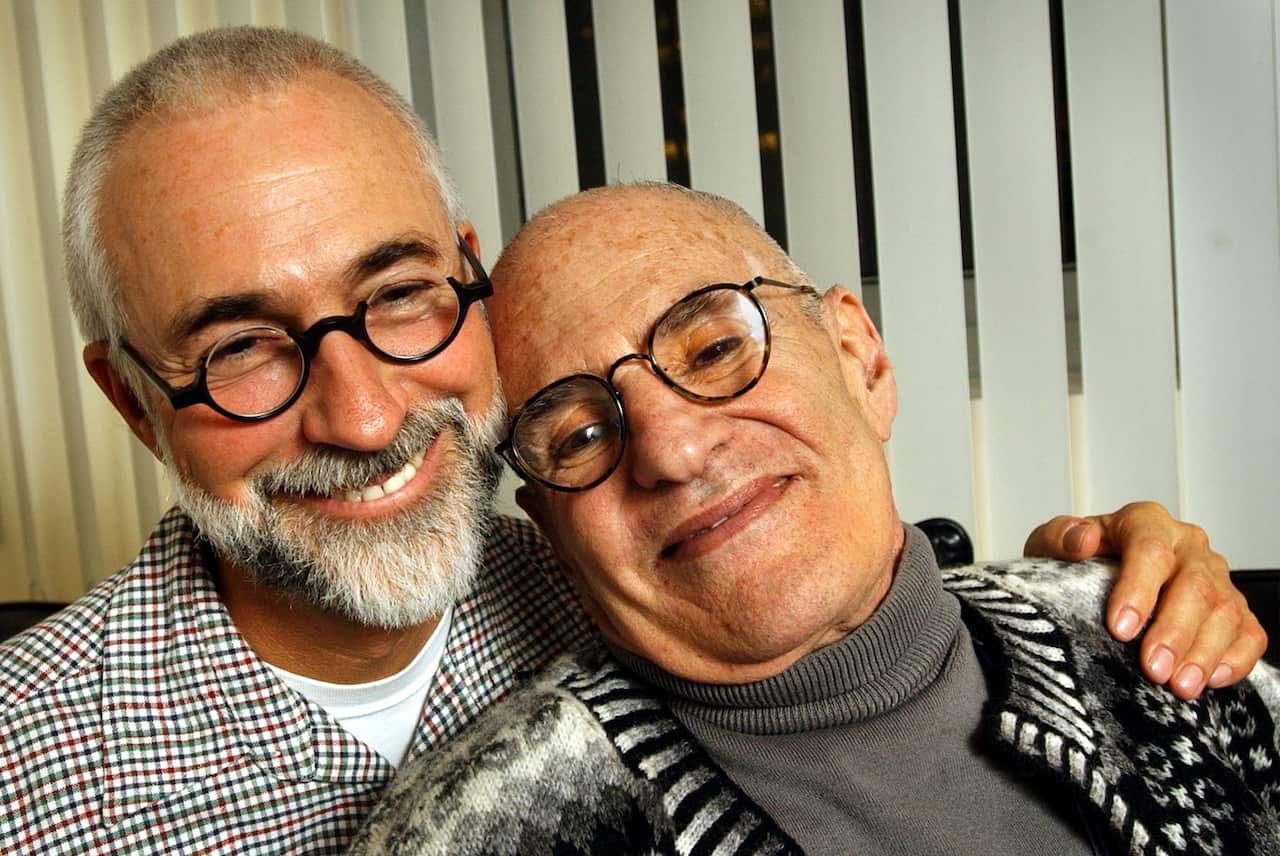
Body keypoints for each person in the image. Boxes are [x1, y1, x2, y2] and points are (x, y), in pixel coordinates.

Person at [0, 27, 1262, 855]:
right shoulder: (30, 781)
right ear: (129, 400)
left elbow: (855, 594)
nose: (365, 416)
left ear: (469, 284)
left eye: (394, 295)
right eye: (242, 350)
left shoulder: (626, 560)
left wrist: (1109, 582)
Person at [352, 184, 1280, 855]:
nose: (672, 451)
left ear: (859, 356)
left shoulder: (1167, 648)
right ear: (551, 532)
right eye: (581, 432)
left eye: (715, 347)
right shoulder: (475, 834)